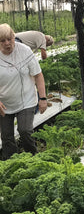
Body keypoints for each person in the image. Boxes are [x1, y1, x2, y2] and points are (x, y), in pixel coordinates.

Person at [0, 23, 48, 160]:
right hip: (4, 103)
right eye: (2, 41)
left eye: (9, 39)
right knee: (7, 137)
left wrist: (43, 98)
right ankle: (12, 164)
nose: (7, 43)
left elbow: (38, 75)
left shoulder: (25, 51)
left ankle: (33, 159)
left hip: (26, 99)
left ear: (14, 37)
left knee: (25, 130)